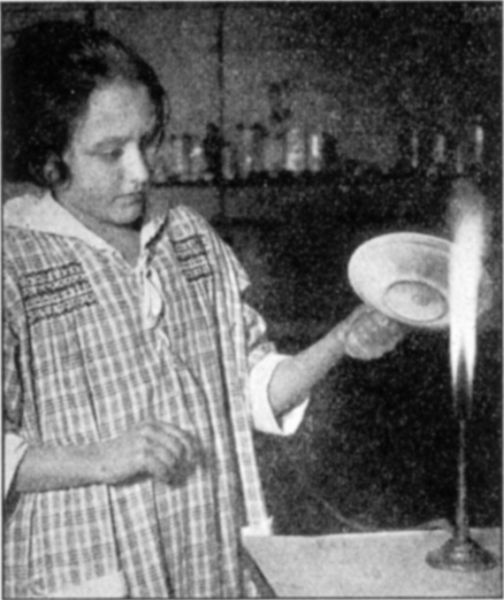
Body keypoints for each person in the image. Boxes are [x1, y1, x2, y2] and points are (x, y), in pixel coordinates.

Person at [3, 20, 405, 598]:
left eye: (147, 141)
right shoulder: (12, 262)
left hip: (203, 548)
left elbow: (249, 391)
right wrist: (101, 458)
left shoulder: (187, 238)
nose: (141, 172)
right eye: (110, 152)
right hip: (84, 562)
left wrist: (341, 340)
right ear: (48, 160)